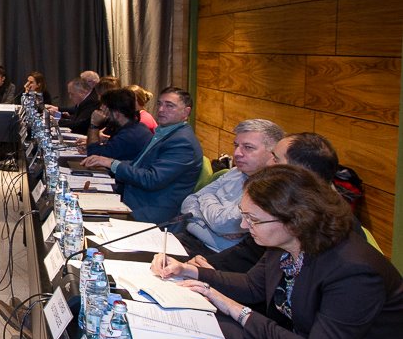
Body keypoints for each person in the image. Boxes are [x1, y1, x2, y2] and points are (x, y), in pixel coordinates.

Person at [153, 165, 403, 339]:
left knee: (220, 330)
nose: (244, 225)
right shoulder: (287, 243)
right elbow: (252, 286)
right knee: (212, 321)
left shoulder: (354, 271)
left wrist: (239, 312)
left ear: (294, 220)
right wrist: (190, 271)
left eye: (253, 219)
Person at [189, 132, 341, 274]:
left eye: (275, 159)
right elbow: (249, 257)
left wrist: (205, 273)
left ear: (299, 171)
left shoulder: (331, 239)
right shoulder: (289, 202)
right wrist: (199, 269)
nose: (268, 163)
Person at [82, 86, 202, 224]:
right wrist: (109, 161)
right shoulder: (166, 133)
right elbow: (141, 165)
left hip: (150, 210)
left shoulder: (183, 142)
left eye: (169, 106)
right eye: (159, 104)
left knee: (82, 218)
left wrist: (112, 163)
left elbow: (151, 179)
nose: (161, 109)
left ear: (186, 112)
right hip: (135, 196)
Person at [179, 119, 283, 254]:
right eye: (236, 145)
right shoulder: (235, 172)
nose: (237, 153)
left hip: (216, 254)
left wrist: (204, 202)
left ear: (272, 153)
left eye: (248, 147)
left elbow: (222, 224)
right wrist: (212, 223)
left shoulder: (274, 189)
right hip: (189, 239)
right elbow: (189, 202)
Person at [84, 88, 152, 160]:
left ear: (116, 114)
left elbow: (93, 155)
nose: (101, 113)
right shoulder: (139, 127)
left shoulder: (127, 136)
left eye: (104, 110)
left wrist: (94, 124)